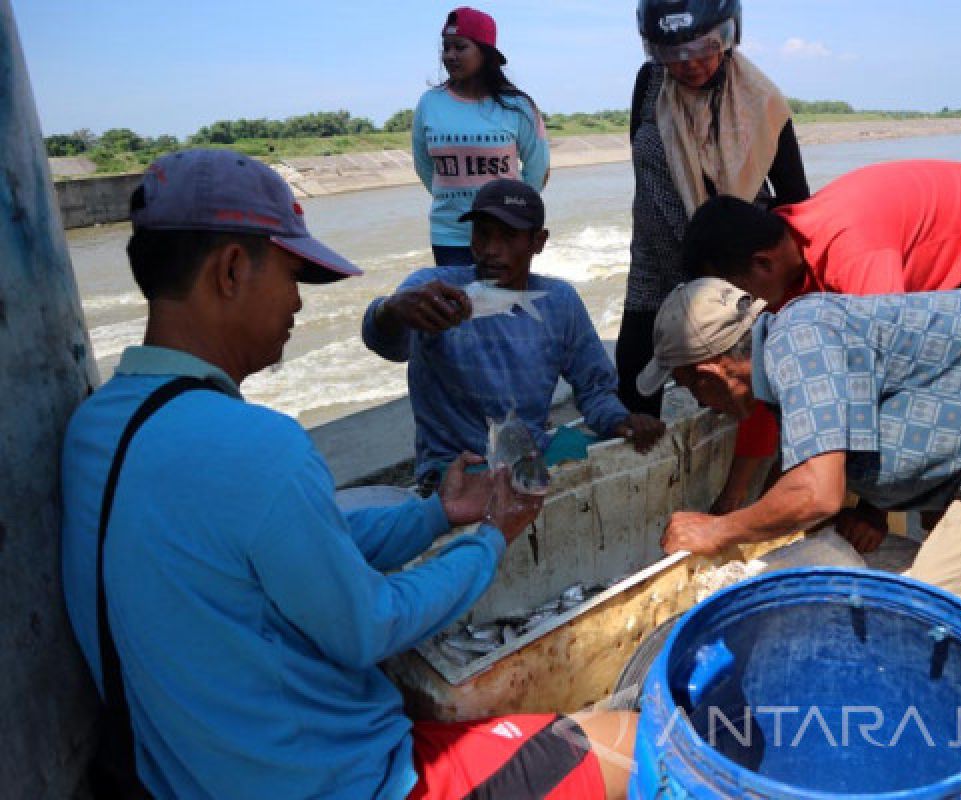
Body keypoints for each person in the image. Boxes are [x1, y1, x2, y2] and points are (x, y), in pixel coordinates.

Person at [60, 150, 636, 800]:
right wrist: (493, 537)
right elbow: (370, 627)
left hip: (182, 774)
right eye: (291, 275)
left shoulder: (95, 427)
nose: (298, 304)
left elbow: (301, 541)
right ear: (229, 272)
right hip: (345, 780)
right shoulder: (261, 446)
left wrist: (435, 515)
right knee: (631, 743)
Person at [638, 277, 961, 658]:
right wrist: (869, 505)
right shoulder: (794, 342)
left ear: (713, 372)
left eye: (690, 387)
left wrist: (718, 529)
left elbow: (816, 493)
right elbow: (874, 421)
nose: (701, 405)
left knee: (940, 621)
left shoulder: (801, 342)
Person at [682, 160, 961, 518]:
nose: (743, 308)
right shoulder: (787, 268)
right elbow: (763, 387)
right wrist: (732, 502)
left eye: (740, 292)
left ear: (763, 264)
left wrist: (873, 510)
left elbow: (895, 378)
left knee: (958, 417)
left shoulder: (854, 260)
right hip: (915, 251)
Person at [364, 178, 665, 494]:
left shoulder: (559, 302)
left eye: (508, 236)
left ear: (539, 241)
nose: (491, 250)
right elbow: (386, 343)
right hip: (455, 468)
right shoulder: (436, 290)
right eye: (482, 234)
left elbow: (594, 388)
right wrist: (390, 310)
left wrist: (620, 420)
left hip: (531, 455)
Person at [615, 0, 810, 421]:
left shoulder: (762, 100)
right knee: (634, 376)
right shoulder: (650, 84)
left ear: (728, 35)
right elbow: (641, 160)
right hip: (655, 251)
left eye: (703, 47)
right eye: (673, 53)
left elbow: (795, 197)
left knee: (730, 380)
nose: (689, 64)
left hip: (727, 267)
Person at [413, 6, 550, 267]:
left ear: (485, 53)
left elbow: (538, 168)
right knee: (457, 306)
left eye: (460, 47)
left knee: (503, 305)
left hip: (506, 235)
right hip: (450, 235)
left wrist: (514, 211)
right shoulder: (429, 103)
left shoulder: (518, 106)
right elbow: (424, 167)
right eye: (446, 47)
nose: (450, 55)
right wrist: (454, 200)